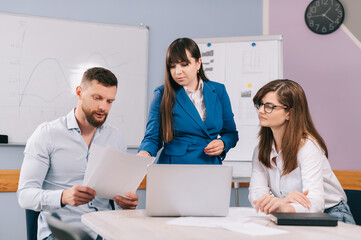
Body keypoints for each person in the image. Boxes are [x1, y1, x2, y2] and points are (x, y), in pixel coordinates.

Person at [17, 67, 139, 240]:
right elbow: (25, 196)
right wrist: (63, 197)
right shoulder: (47, 134)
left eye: (109, 101)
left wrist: (125, 204)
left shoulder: (116, 137)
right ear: (79, 92)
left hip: (104, 232)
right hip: (61, 231)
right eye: (97, 98)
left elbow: (118, 196)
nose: (102, 107)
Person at [248, 79, 355, 224]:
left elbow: (316, 203)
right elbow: (256, 195)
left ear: (289, 113)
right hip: (292, 214)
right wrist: (282, 201)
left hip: (331, 214)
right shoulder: (261, 150)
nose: (261, 110)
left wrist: (282, 205)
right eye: (260, 104)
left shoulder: (307, 147)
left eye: (269, 106)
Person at [138, 38, 238, 164]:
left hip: (210, 166)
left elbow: (231, 133)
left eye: (184, 64)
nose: (178, 72)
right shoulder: (163, 94)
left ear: (198, 63)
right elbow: (152, 137)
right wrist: (145, 153)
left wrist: (223, 143)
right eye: (172, 66)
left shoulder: (218, 91)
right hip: (174, 167)